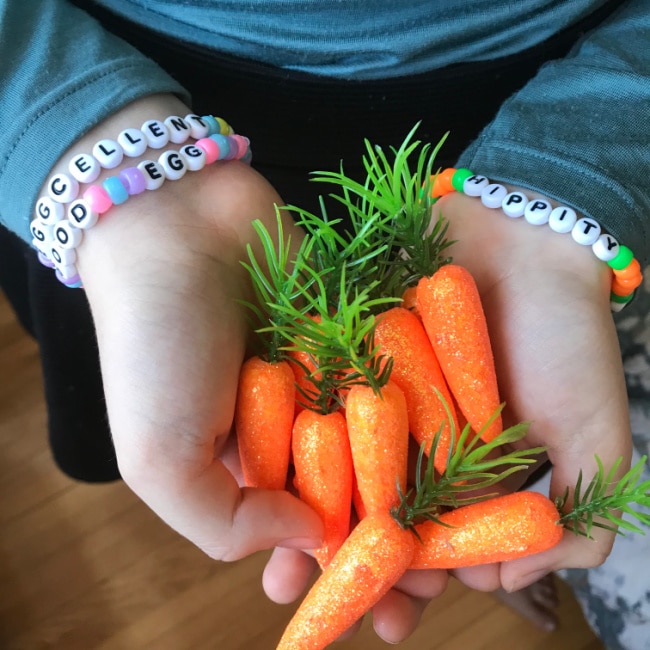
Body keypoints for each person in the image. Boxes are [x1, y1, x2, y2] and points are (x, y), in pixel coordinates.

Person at [0, 1, 648, 646]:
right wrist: (71, 129)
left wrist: (581, 160)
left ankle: (477, 534)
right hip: (129, 96)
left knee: (505, 443)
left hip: (550, 93)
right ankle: (472, 539)